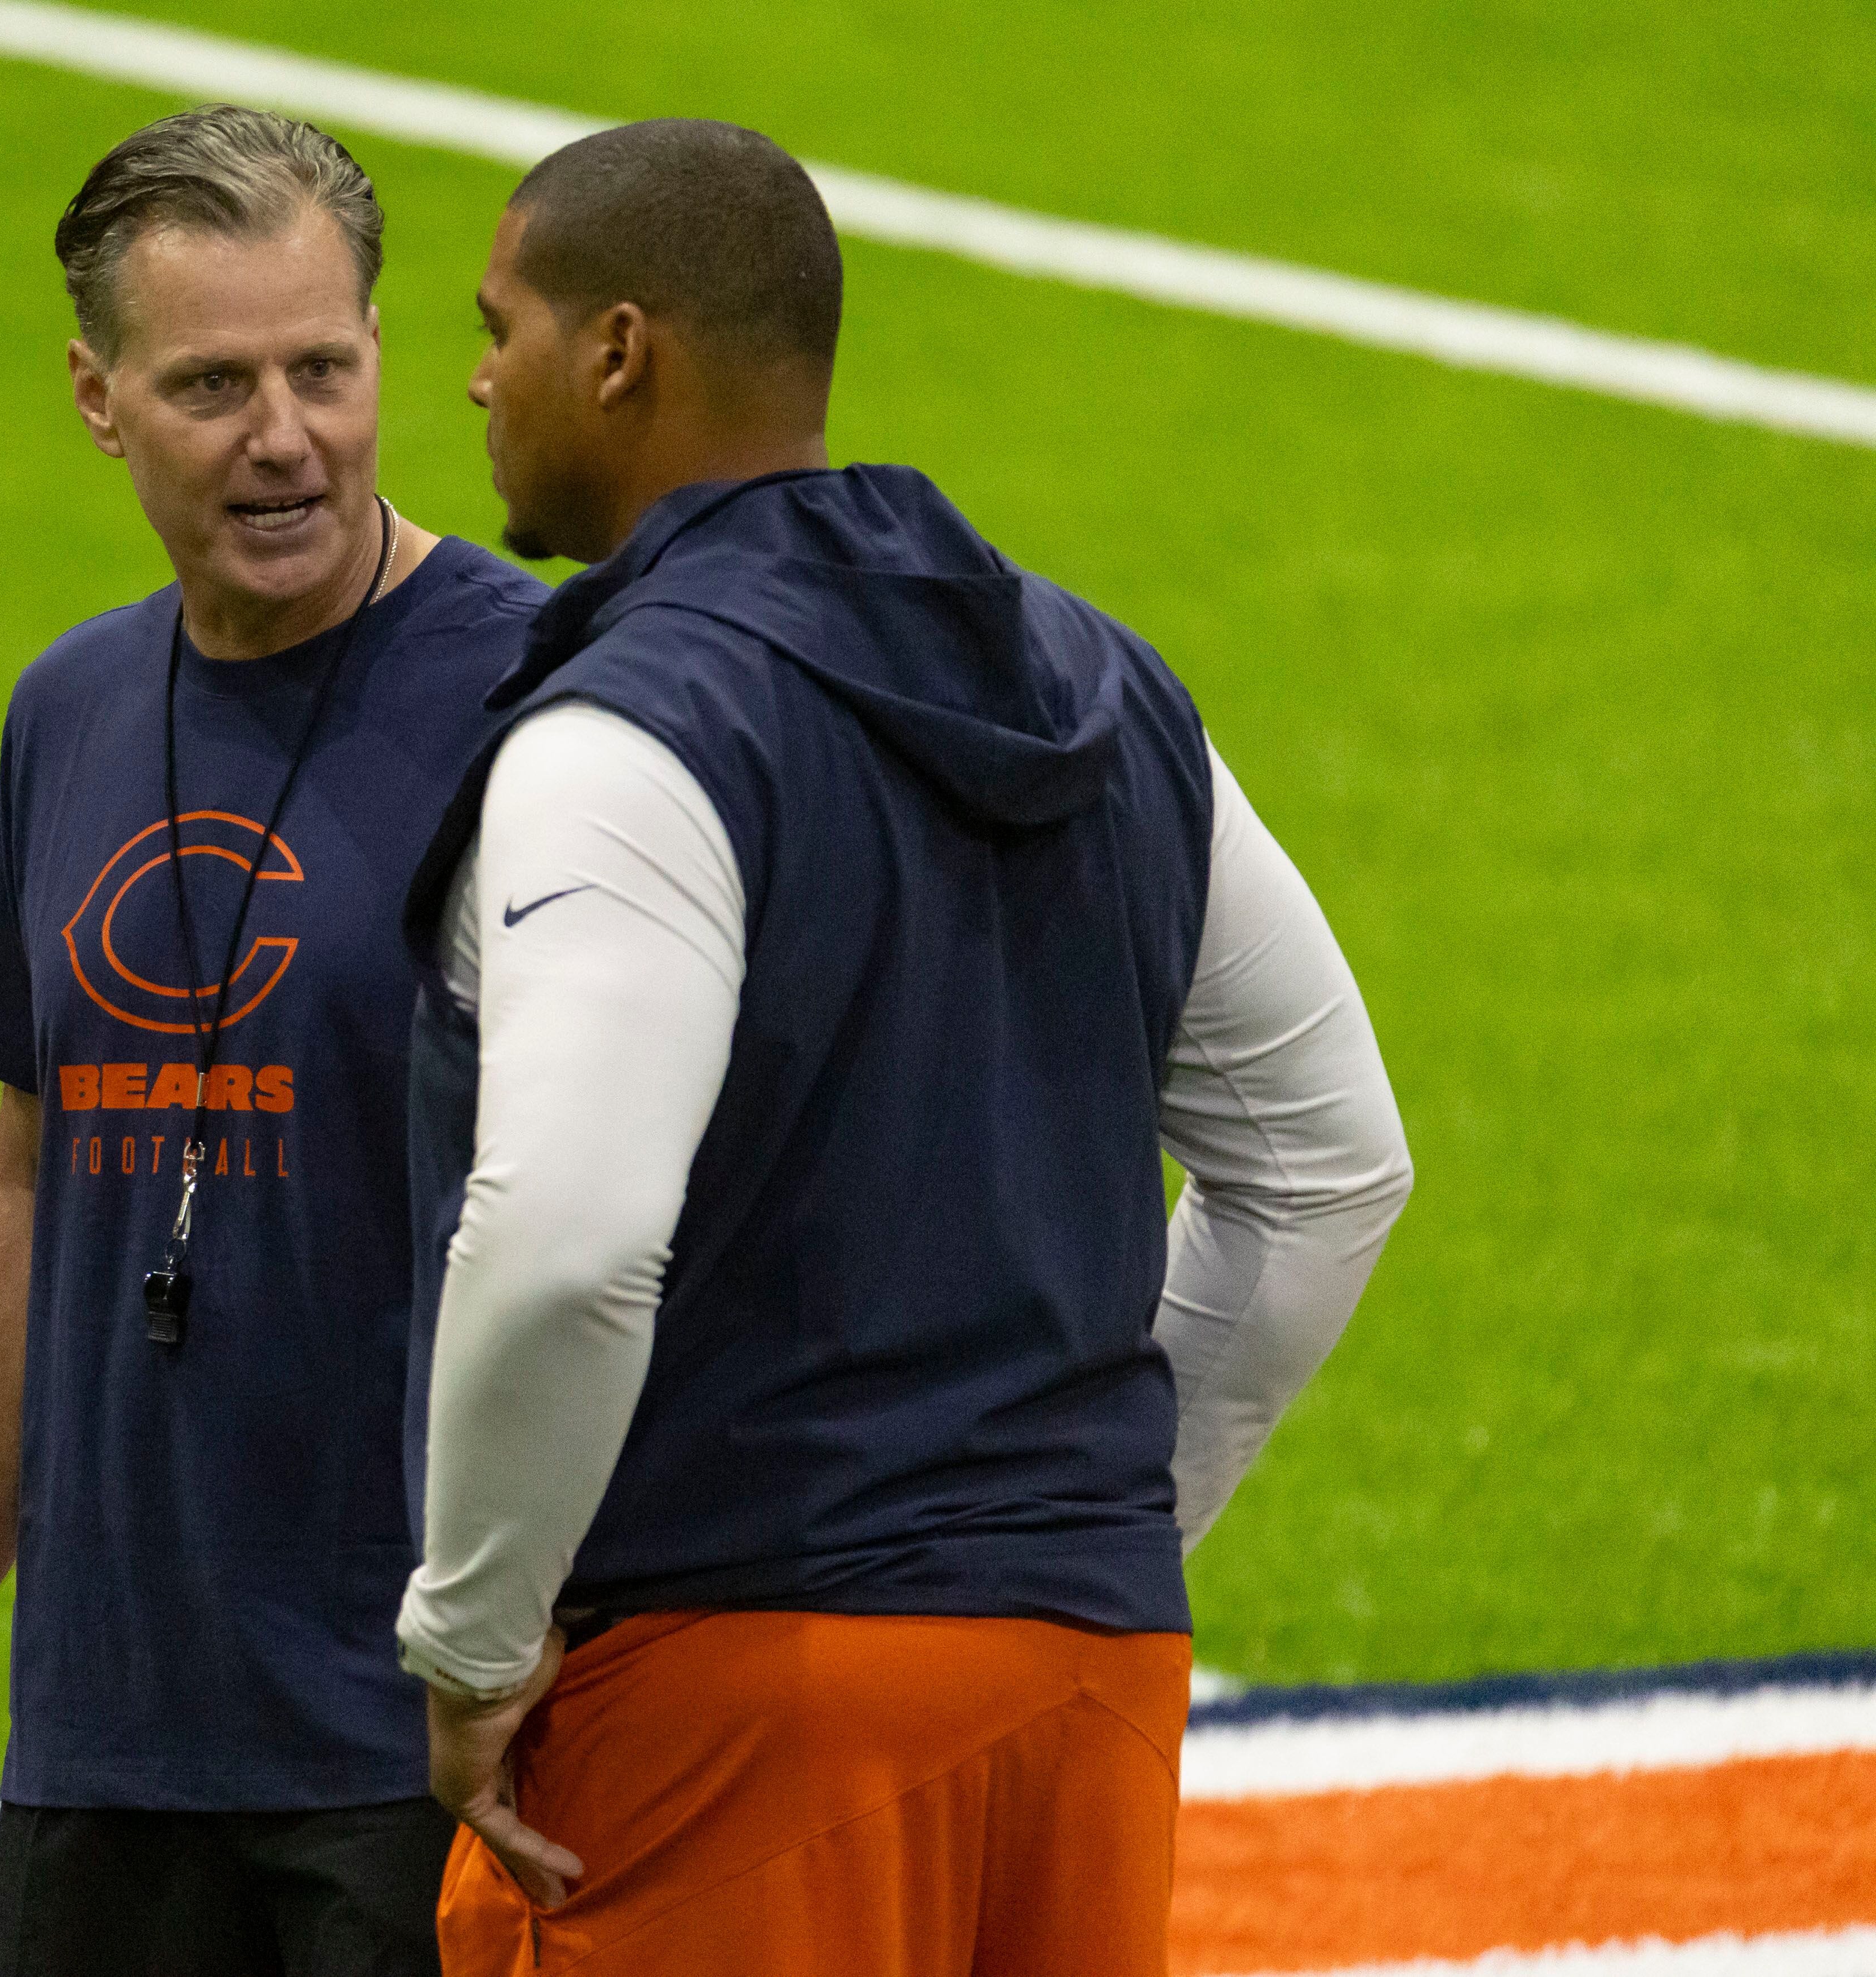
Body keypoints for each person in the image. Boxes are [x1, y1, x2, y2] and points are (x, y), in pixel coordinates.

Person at [393, 120, 1415, 1976]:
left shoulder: (626, 734)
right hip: (1087, 1699)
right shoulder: (1106, 686)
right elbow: (1332, 1169)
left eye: (502, 324)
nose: (473, 375)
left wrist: (472, 1643)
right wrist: (1067, 1536)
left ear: (621, 353)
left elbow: (567, 1243)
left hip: (734, 1707)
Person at [0, 105, 546, 1977]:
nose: (284, 437)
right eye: (214, 382)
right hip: (109, 1731)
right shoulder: (69, 708)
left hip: (422, 1737)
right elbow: (31, 1181)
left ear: (387, 355)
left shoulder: (547, 691)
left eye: (325, 367)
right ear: (97, 393)